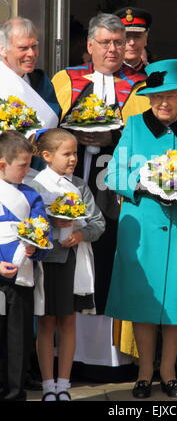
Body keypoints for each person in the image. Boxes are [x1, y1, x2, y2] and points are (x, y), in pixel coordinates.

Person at [104, 59, 177, 398]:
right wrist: (139, 182)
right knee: (143, 302)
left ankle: (168, 372)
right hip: (141, 230)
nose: (164, 103)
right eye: (157, 97)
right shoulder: (134, 126)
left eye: (171, 95)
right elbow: (112, 175)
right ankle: (144, 373)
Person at [52, 13, 146, 379]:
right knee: (67, 259)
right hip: (71, 183)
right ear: (89, 45)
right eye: (105, 42)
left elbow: (144, 138)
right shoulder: (66, 80)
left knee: (109, 260)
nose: (112, 49)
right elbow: (48, 127)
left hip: (115, 191)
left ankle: (111, 359)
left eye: (118, 43)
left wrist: (113, 138)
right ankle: (67, 358)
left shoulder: (139, 85)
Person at [30, 128, 105, 401]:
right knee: (47, 322)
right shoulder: (37, 186)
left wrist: (80, 234)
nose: (73, 158)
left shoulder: (81, 186)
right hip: (47, 262)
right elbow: (30, 225)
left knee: (69, 321)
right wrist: (52, 224)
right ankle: (48, 385)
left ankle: (64, 383)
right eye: (67, 154)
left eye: (75, 153)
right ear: (47, 156)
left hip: (73, 262)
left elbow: (98, 223)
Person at [0, 131, 50, 401]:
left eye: (29, 163)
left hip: (21, 281)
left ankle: (15, 395)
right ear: (2, 164)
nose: (27, 170)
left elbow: (44, 231)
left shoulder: (32, 195)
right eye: (22, 165)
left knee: (18, 342)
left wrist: (37, 244)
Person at [0, 17, 61, 176]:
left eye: (34, 46)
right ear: (2, 49)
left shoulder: (40, 81)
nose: (31, 54)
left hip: (41, 173)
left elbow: (53, 119)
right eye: (23, 48)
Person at [114, 6, 152, 73]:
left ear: (145, 39)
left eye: (137, 36)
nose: (132, 42)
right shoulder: (104, 76)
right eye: (126, 37)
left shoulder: (154, 76)